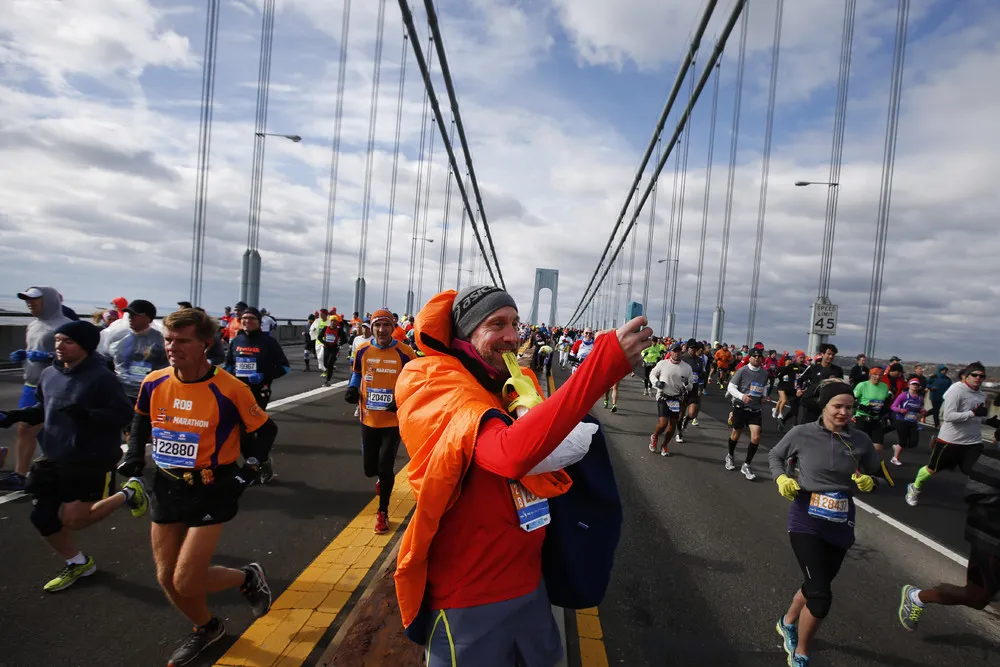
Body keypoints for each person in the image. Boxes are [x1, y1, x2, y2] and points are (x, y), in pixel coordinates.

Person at [393, 286, 650, 666]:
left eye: (515, 323)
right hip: (467, 598)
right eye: (497, 324)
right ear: (465, 334)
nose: (513, 336)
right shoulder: (429, 380)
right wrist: (602, 365)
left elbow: (547, 442)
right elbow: (509, 453)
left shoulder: (509, 383)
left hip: (531, 588)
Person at [117, 308, 276, 667]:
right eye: (169, 340)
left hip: (211, 487)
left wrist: (248, 470)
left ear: (206, 344)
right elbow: (140, 418)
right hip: (167, 483)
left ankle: (248, 577)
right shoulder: (154, 382)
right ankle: (207, 626)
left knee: (186, 581)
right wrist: (133, 458)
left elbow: (265, 430)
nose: (172, 347)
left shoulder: (230, 388)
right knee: (167, 579)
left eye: (182, 341)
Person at [0, 321, 148, 591]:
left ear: (85, 347)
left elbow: (125, 415)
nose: (59, 346)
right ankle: (78, 563)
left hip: (91, 458)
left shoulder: (102, 377)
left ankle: (129, 493)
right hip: (54, 455)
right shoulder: (49, 374)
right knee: (42, 518)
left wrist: (89, 415)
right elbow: (44, 409)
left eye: (68, 341)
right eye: (57, 340)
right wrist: (13, 416)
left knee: (74, 520)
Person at [769, 380, 883, 667]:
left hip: (841, 521)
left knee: (815, 584)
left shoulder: (860, 440)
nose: (844, 412)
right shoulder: (802, 433)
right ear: (825, 407)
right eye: (838, 406)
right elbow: (776, 455)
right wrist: (781, 477)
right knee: (821, 596)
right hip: (806, 516)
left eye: (849, 407)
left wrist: (872, 481)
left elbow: (877, 474)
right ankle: (802, 651)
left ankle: (788, 621)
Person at [898, 442, 1000, 631]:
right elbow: (976, 492)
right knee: (977, 597)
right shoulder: (995, 455)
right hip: (991, 540)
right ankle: (919, 597)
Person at [344, 310, 416, 534]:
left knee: (385, 468)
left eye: (386, 325)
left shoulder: (405, 352)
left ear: (393, 327)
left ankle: (382, 512)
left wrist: (401, 399)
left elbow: (415, 380)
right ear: (371, 328)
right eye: (377, 326)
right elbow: (357, 373)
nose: (382, 330)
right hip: (368, 418)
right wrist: (352, 388)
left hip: (392, 422)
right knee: (369, 469)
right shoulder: (362, 349)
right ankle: (380, 480)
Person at [1, 286, 71, 491]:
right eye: (27, 301)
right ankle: (20, 474)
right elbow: (32, 349)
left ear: (48, 301)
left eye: (35, 300)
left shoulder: (65, 326)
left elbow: (78, 356)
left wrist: (49, 357)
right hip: (30, 384)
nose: (30, 304)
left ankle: (58, 472)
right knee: (24, 428)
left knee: (52, 431)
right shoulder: (32, 325)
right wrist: (23, 355)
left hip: (55, 387)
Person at [906, 362, 991, 507]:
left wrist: (989, 420)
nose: (978, 378)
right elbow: (948, 416)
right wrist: (972, 413)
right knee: (932, 469)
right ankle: (914, 487)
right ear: (966, 376)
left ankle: (981, 501)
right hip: (950, 440)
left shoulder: (982, 395)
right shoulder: (956, 390)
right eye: (974, 375)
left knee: (977, 470)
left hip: (973, 441)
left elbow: (979, 417)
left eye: (981, 376)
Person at [224, 307, 289, 484]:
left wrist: (264, 376)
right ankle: (259, 462)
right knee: (241, 432)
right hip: (237, 392)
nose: (247, 321)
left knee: (248, 429)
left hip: (259, 392)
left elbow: (284, 367)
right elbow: (229, 366)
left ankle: (256, 464)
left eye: (252, 318)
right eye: (244, 318)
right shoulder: (237, 340)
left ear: (260, 322)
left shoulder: (268, 342)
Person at [109, 299, 168, 406]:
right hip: (121, 395)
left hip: (149, 396)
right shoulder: (119, 338)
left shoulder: (161, 342)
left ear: (148, 317)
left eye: (135, 314)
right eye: (129, 314)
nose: (130, 317)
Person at [726, 347, 768, 480]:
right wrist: (742, 396)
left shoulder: (764, 373)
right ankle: (730, 455)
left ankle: (746, 464)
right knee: (736, 434)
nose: (756, 358)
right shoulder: (742, 370)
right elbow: (731, 387)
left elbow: (764, 386)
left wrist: (764, 396)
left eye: (759, 356)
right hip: (741, 407)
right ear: (749, 357)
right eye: (754, 356)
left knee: (756, 437)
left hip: (755, 409)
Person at [649, 342, 692, 457]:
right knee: (663, 424)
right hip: (663, 396)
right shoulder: (663, 364)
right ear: (670, 352)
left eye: (679, 351)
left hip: (676, 399)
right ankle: (655, 436)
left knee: (672, 425)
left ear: (681, 352)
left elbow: (690, 386)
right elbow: (652, 374)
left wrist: (687, 384)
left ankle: (664, 445)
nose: (676, 353)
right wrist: (656, 383)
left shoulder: (686, 368)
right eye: (674, 351)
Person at [796, 344, 844, 425]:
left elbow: (841, 386)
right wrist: (799, 389)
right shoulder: (813, 368)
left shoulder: (837, 370)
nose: (831, 356)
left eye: (833, 354)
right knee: (806, 425)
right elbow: (800, 379)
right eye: (828, 354)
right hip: (812, 401)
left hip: (827, 404)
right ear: (822, 354)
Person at [890, 378, 926, 465]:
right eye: (913, 384)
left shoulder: (920, 398)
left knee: (913, 443)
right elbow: (893, 406)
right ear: (909, 385)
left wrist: (922, 411)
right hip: (902, 420)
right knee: (903, 441)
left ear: (919, 387)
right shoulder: (903, 395)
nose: (914, 386)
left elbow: (919, 409)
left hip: (913, 422)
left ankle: (897, 447)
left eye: (916, 385)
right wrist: (900, 410)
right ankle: (895, 458)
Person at [853, 368, 890, 453]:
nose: (877, 377)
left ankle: (870, 464)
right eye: (875, 374)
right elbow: (852, 400)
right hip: (863, 417)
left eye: (880, 375)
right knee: (860, 446)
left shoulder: (884, 386)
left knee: (878, 447)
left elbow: (886, 401)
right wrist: (862, 407)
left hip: (877, 418)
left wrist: (885, 409)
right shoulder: (862, 385)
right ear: (870, 375)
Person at [678, 339, 706, 438]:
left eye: (695, 348)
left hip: (694, 389)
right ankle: (679, 433)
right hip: (682, 389)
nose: (693, 350)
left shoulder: (699, 360)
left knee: (692, 413)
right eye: (691, 348)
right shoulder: (682, 358)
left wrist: (700, 388)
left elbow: (702, 375)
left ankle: (686, 421)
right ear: (688, 348)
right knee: (680, 414)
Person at [318, 312, 342, 386]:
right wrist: (324, 342)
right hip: (326, 348)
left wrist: (339, 343)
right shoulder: (326, 328)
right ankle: (330, 370)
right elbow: (319, 337)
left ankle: (327, 381)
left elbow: (344, 340)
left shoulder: (339, 330)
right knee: (325, 364)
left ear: (337, 322)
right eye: (332, 321)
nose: (333, 322)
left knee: (330, 363)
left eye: (335, 321)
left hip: (334, 348)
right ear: (330, 322)